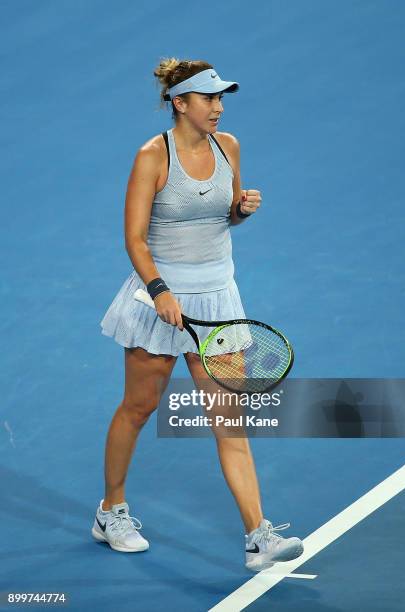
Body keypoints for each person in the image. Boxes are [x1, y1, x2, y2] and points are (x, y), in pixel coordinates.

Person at [91, 57, 304, 571]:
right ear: (179, 103)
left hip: (219, 304)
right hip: (158, 304)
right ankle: (110, 511)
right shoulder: (152, 156)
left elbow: (222, 217)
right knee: (139, 408)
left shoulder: (227, 146)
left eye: (221, 98)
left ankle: (258, 534)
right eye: (208, 99)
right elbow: (134, 239)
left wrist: (241, 211)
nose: (218, 107)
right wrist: (161, 290)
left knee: (231, 421)